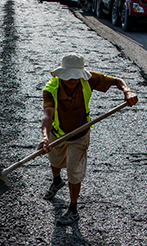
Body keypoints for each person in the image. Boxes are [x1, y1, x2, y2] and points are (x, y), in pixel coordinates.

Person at [37, 53, 138, 225]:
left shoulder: (88, 80)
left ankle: (73, 209)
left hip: (80, 133)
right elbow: (47, 115)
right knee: (54, 159)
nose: (73, 80)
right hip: (57, 132)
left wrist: (127, 91)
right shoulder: (50, 89)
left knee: (74, 172)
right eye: (69, 77)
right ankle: (56, 181)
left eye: (77, 76)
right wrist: (45, 138)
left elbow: (117, 80)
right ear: (61, 74)